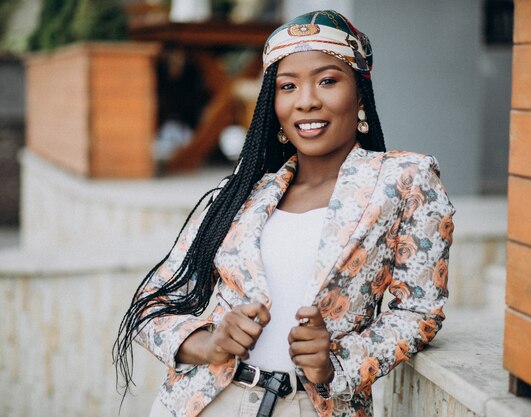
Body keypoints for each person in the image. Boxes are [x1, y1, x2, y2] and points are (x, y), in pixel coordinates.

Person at [114, 10, 455, 417]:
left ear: (360, 94)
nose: (306, 100)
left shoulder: (406, 179)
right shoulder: (242, 192)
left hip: (312, 405)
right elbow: (152, 302)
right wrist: (210, 343)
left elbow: (418, 311)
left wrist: (339, 360)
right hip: (209, 402)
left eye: (327, 80)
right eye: (287, 86)